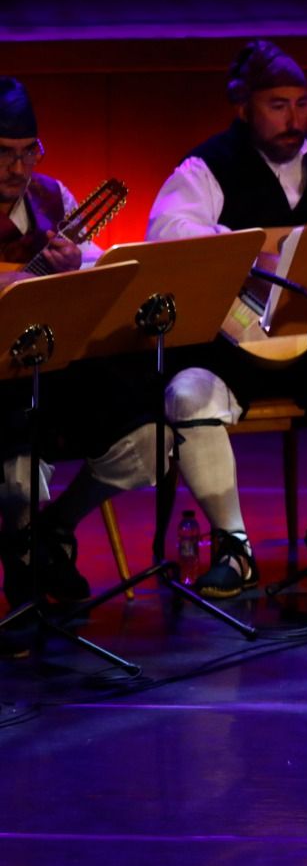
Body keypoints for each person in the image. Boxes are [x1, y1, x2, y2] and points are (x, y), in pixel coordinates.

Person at [147, 39, 307, 598]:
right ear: (244, 107)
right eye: (278, 104)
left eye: (302, 103)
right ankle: (233, 547)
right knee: (186, 395)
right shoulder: (207, 166)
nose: (294, 118)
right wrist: (248, 251)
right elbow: (167, 232)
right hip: (233, 342)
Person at [0, 76, 160, 609]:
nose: (18, 171)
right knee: (18, 462)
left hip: (57, 368)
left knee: (149, 438)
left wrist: (76, 271)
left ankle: (54, 528)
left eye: (28, 154)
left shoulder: (55, 198)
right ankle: (22, 576)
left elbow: (98, 281)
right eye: (3, 155)